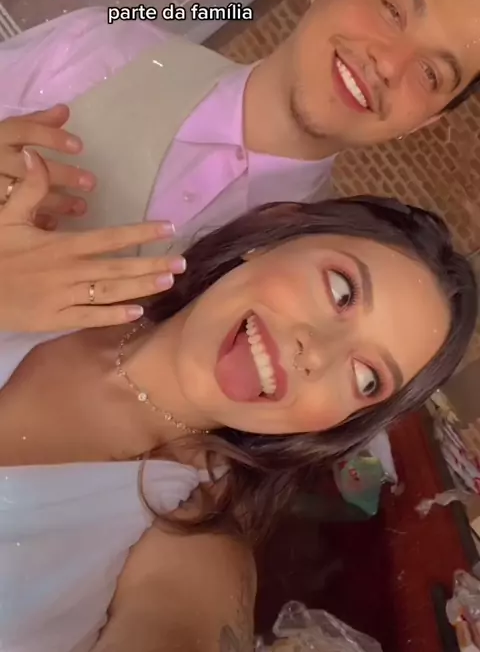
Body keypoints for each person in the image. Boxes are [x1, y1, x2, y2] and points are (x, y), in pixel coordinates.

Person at [0, 175, 477, 652]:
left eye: (367, 377)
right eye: (341, 291)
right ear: (271, 238)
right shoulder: (47, 276)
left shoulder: (193, 535)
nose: (318, 352)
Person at [1, 0, 480, 332]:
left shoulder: (310, 271)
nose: (389, 63)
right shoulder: (100, 48)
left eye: (430, 74)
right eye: (393, 10)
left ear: (424, 123)